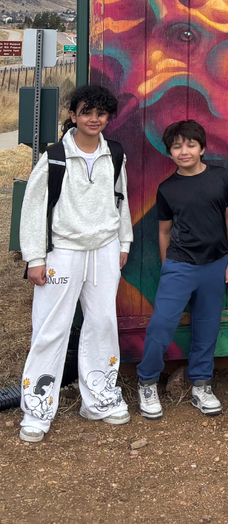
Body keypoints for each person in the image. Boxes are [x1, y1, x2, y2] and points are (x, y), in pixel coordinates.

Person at [18, 84, 132, 443]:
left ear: (108, 117)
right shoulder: (55, 156)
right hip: (62, 251)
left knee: (102, 323)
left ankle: (100, 399)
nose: (93, 119)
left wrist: (124, 241)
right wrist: (35, 257)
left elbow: (121, 199)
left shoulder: (115, 153)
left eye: (100, 113)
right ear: (73, 115)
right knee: (51, 328)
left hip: (105, 250)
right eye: (86, 112)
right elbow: (33, 209)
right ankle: (37, 409)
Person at [136, 120, 228, 419]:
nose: (184, 151)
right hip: (179, 265)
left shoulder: (220, 177)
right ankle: (147, 382)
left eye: (190, 145)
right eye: (177, 146)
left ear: (202, 148)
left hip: (216, 264)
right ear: (169, 152)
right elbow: (164, 231)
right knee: (161, 325)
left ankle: (201, 384)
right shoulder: (167, 189)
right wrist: (167, 265)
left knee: (207, 326)